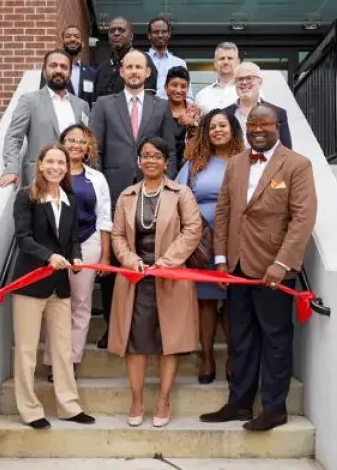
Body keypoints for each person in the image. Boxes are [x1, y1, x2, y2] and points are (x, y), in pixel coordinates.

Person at [200, 104, 317, 431]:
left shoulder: (297, 164)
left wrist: (282, 263)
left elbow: (302, 218)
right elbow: (223, 212)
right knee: (240, 337)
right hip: (236, 267)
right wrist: (221, 259)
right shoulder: (236, 163)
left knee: (275, 339)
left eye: (265, 123)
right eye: (252, 124)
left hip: (273, 270)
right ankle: (239, 403)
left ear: (278, 125)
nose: (258, 129)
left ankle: (274, 407)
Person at [108, 136, 202, 428]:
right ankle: (136, 399)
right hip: (136, 277)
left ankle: (163, 399)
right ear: (139, 161)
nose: (150, 160)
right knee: (135, 342)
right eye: (145, 155)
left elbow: (193, 229)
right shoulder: (126, 195)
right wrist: (129, 260)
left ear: (166, 161)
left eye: (157, 156)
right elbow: (118, 235)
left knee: (168, 341)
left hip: (170, 276)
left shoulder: (181, 192)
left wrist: (166, 262)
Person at [90, 50, 178, 349]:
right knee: (117, 258)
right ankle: (112, 327)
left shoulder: (161, 107)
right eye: (129, 67)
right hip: (115, 192)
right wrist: (99, 185)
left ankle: (148, 326)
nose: (134, 71)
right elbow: (95, 149)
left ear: (148, 72)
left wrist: (170, 188)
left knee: (147, 256)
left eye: (139, 66)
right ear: (122, 72)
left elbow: (172, 152)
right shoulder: (104, 104)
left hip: (153, 191)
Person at [10, 143, 96, 429]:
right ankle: (30, 410)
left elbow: (73, 240)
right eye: (50, 162)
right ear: (41, 164)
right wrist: (48, 256)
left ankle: (69, 406)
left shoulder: (69, 198)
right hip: (31, 283)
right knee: (26, 349)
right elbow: (23, 238)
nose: (56, 167)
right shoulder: (26, 197)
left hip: (60, 286)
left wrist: (77, 258)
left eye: (61, 162)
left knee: (62, 348)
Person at [176, 109, 244, 384]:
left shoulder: (246, 161)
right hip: (202, 240)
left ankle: (233, 357)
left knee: (233, 302)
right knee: (206, 302)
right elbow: (179, 196)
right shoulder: (195, 163)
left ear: (233, 129)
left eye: (222, 125)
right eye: (212, 126)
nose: (217, 130)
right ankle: (206, 357)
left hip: (238, 239)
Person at [43, 125, 112, 380]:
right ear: (62, 143)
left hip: (87, 243)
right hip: (55, 247)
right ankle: (53, 360)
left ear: (88, 148)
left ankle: (71, 360)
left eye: (81, 142)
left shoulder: (97, 178)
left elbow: (105, 218)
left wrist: (105, 256)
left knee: (81, 304)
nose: (76, 145)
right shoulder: (52, 172)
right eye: (70, 140)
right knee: (57, 303)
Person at [0, 49, 90, 188]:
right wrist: (11, 169)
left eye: (64, 67)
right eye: (53, 65)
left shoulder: (82, 105)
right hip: (39, 179)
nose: (58, 70)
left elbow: (86, 143)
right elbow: (14, 137)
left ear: (69, 73)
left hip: (72, 179)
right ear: (44, 70)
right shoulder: (29, 101)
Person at [224, 61, 292, 149]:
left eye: (249, 78)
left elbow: (287, 151)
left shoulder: (278, 113)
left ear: (260, 82)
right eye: (240, 79)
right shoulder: (223, 114)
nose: (244, 82)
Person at [93, 16, 158, 98]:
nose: (116, 33)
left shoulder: (143, 60)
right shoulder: (101, 69)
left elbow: (148, 99)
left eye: (121, 30)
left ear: (131, 36)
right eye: (112, 31)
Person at [40, 25, 97, 106]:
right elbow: (43, 96)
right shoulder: (51, 70)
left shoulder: (92, 73)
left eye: (76, 37)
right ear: (62, 43)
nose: (72, 39)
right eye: (68, 36)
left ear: (82, 44)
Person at [146, 16, 193, 101]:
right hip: (145, 111)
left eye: (164, 32)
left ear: (169, 34)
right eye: (156, 32)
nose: (160, 35)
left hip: (171, 112)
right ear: (149, 35)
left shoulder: (179, 63)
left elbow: (188, 96)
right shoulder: (140, 60)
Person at [164, 66, 201, 168]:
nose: (178, 90)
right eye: (174, 85)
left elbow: (205, 139)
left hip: (190, 167)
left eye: (183, 86)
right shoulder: (158, 111)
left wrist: (194, 124)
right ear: (166, 88)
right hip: (164, 167)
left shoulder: (196, 111)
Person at [194, 42, 240, 114]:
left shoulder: (248, 92)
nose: (226, 62)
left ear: (238, 62)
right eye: (222, 58)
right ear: (215, 63)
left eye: (230, 58)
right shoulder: (202, 95)